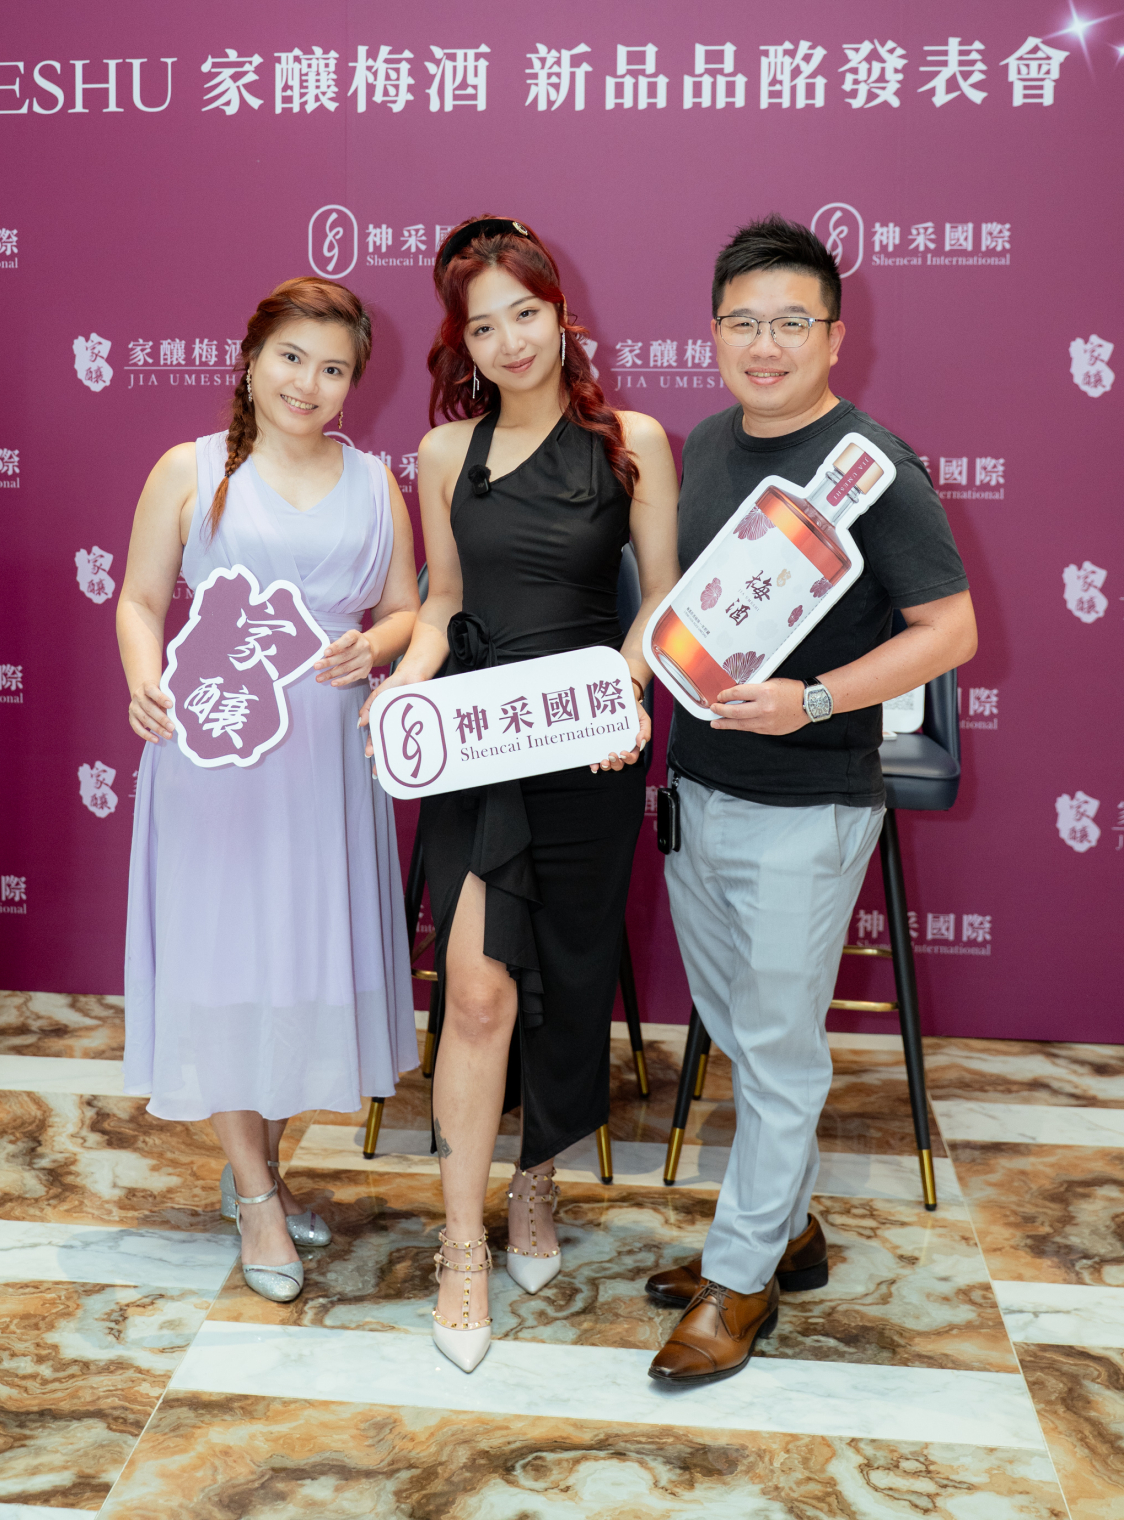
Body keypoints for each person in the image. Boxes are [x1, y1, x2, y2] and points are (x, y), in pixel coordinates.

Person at [645, 215, 976, 1385]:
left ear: (834, 335)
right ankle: (784, 1230)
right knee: (739, 1032)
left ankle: (738, 1283)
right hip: (695, 790)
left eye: (790, 321)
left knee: (779, 1049)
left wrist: (816, 699)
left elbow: (949, 629)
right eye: (742, 321)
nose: (765, 343)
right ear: (712, 334)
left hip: (808, 804)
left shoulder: (872, 467)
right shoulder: (705, 443)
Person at [365, 217, 680, 1373]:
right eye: (483, 325)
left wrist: (624, 691)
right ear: (462, 341)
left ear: (560, 315)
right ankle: (460, 1246)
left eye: (525, 315)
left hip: (586, 744)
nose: (508, 341)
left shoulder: (632, 442)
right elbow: (443, 606)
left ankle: (535, 1178)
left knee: (567, 979)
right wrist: (403, 689)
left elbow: (660, 600)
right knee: (477, 991)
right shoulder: (446, 453)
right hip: (476, 740)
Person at [118, 277, 421, 1302]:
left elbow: (407, 608)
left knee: (300, 968)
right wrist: (143, 679)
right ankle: (254, 1195)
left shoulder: (375, 484)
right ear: (251, 360)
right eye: (291, 357)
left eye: (333, 369)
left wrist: (372, 646)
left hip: (325, 760)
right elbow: (140, 599)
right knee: (223, 963)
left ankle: (263, 1165)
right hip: (214, 758)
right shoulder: (192, 470)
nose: (308, 383)